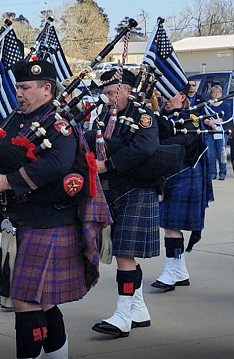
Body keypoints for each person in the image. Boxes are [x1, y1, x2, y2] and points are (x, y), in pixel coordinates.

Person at [0, 60, 106, 358]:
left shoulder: (59, 122)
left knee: (24, 299)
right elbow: (0, 150)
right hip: (26, 218)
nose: (19, 93)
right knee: (43, 299)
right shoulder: (15, 119)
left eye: (25, 88)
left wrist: (5, 182)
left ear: (46, 89)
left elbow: (56, 164)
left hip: (52, 218)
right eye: (18, 87)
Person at [91, 69, 161, 338]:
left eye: (112, 93)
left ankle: (122, 315)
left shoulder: (141, 115)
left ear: (127, 90)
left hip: (137, 189)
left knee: (124, 254)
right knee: (125, 254)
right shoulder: (107, 116)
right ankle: (138, 308)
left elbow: (145, 147)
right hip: (115, 190)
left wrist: (108, 165)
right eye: (106, 93)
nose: (108, 98)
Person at [152, 88, 213, 292]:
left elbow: (184, 142)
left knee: (171, 225)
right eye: (162, 94)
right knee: (170, 225)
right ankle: (180, 271)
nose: (165, 99)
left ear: (182, 97)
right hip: (168, 175)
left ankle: (170, 272)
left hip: (185, 173)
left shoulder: (192, 118)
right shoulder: (162, 117)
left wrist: (155, 142)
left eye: (170, 95)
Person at [203, 85, 232, 180]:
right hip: (210, 132)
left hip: (222, 132)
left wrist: (217, 121)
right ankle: (212, 173)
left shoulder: (225, 106)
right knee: (211, 154)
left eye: (218, 92)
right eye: (214, 92)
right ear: (211, 94)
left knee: (221, 153)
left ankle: (222, 173)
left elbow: (227, 118)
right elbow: (203, 118)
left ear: (221, 94)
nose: (216, 94)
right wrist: (210, 123)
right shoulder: (208, 106)